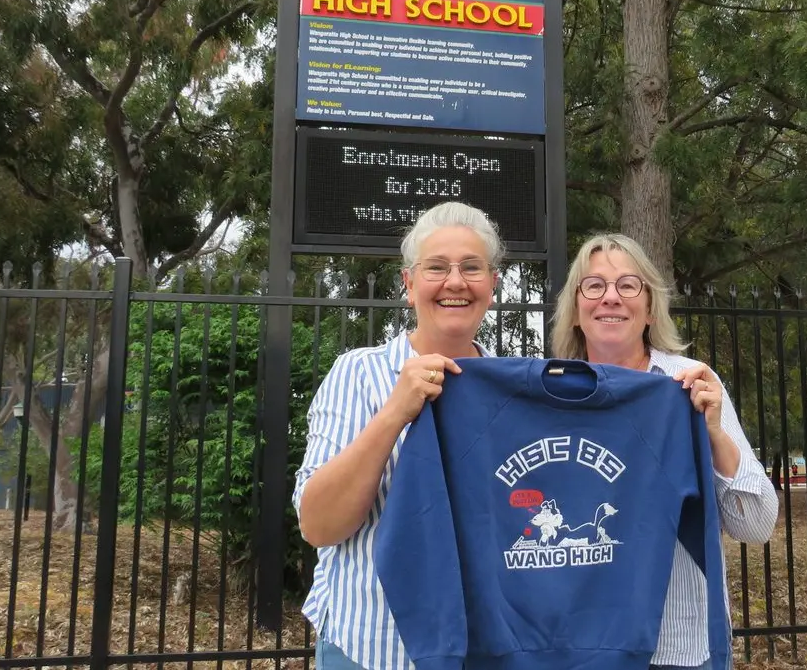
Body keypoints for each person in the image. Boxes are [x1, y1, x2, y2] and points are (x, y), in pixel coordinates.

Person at [550, 233, 779, 670]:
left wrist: (714, 435)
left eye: (628, 286)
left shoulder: (691, 384)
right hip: (577, 644)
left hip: (677, 645)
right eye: (594, 286)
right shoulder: (552, 395)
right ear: (576, 310)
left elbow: (757, 524)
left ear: (651, 306)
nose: (610, 298)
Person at [294, 202, 503, 670]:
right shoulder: (359, 373)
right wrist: (393, 414)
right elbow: (318, 525)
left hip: (485, 646)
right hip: (372, 645)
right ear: (409, 286)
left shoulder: (514, 390)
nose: (455, 282)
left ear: (493, 284)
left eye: (471, 267)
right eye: (436, 268)